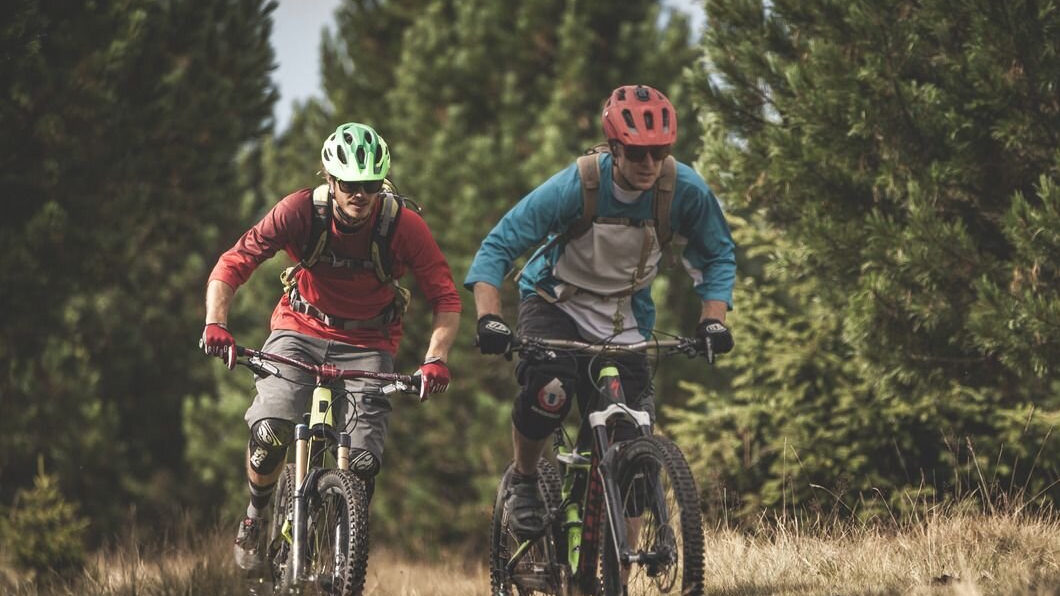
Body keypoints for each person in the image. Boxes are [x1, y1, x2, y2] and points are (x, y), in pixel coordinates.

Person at [465, 84, 736, 541]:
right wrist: (489, 318)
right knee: (550, 390)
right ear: (614, 147)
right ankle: (524, 480)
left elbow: (718, 255)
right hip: (556, 303)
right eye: (637, 153)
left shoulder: (683, 189)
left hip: (624, 317)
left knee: (634, 450)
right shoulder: (579, 184)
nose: (649, 164)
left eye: (660, 152)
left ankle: (619, 579)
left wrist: (713, 320)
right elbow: (498, 246)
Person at [200, 122, 461, 570]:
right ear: (329, 179)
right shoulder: (300, 212)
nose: (360, 194)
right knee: (270, 431)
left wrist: (436, 358)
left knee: (361, 463)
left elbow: (446, 298)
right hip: (298, 330)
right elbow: (234, 262)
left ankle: (340, 559)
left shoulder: (403, 226)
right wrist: (215, 323)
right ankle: (255, 516)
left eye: (370, 185)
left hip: (369, 342)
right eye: (349, 184)